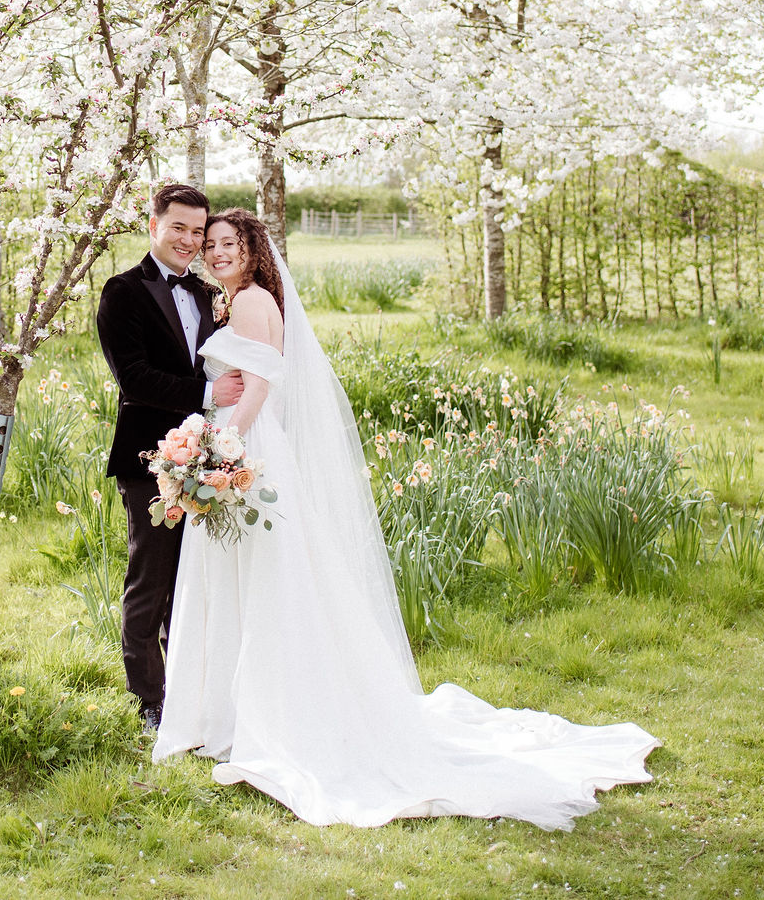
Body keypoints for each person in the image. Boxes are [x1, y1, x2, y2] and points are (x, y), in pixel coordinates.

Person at [155, 207, 660, 829]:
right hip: (240, 447)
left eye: (228, 243)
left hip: (245, 448)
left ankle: (267, 718)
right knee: (243, 579)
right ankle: (231, 714)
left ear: (253, 251)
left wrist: (220, 448)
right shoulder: (234, 302)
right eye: (210, 245)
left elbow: (259, 388)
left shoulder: (255, 301)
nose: (216, 252)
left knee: (267, 584)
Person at [94, 182, 243, 731]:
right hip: (148, 458)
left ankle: (189, 692)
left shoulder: (209, 294)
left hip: (205, 459)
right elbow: (132, 378)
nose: (188, 240)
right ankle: (150, 701)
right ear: (153, 225)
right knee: (151, 578)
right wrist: (206, 397)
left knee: (194, 580)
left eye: (197, 231)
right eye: (177, 227)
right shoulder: (121, 291)